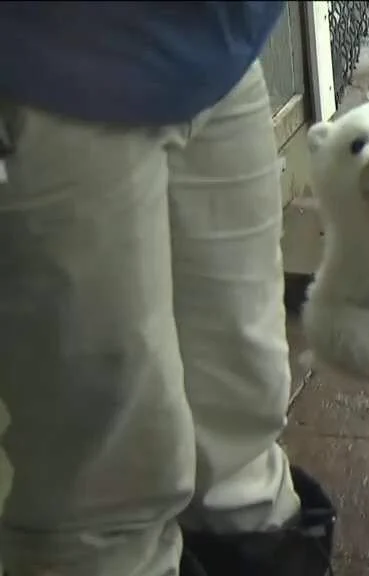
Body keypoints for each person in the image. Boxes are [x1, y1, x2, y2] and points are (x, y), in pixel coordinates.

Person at [0, 2, 336, 575]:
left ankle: (260, 544)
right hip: (46, 69)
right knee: (106, 464)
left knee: (242, 409)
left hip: (218, 48)